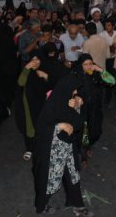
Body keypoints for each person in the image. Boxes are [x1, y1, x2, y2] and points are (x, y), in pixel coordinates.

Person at [33, 77, 94, 216]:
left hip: (68, 147)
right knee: (49, 179)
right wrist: (58, 126)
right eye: (73, 89)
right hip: (53, 151)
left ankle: (78, 206)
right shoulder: (52, 105)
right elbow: (41, 128)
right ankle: (41, 205)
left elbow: (78, 125)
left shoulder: (69, 103)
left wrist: (76, 108)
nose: (75, 92)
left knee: (73, 176)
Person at [15, 52, 53, 161]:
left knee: (42, 127)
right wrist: (26, 68)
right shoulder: (27, 72)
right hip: (28, 103)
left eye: (38, 59)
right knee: (29, 126)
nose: (35, 62)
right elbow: (20, 83)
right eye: (33, 59)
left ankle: (42, 149)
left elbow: (52, 86)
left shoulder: (46, 69)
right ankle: (29, 149)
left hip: (42, 104)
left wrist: (45, 76)